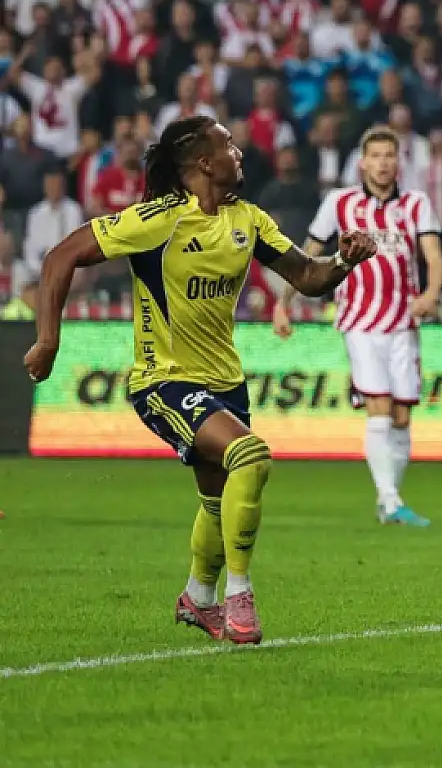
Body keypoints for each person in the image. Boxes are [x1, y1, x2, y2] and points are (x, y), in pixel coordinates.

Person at [24, 115, 375, 645]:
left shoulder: (248, 220)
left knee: (217, 500)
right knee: (251, 457)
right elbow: (62, 256)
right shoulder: (158, 219)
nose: (240, 152)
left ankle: (198, 597)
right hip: (163, 381)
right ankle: (239, 595)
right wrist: (49, 339)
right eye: (229, 145)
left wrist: (343, 261)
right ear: (204, 164)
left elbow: (306, 276)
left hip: (225, 382)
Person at [273, 126, 442, 527]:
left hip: (404, 322)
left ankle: (389, 501)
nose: (384, 163)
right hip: (359, 321)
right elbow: (305, 256)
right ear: (363, 162)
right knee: (380, 409)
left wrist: (433, 292)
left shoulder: (416, 204)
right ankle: (390, 500)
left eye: (390, 155)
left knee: (402, 416)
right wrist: (284, 303)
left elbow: (433, 256)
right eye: (377, 156)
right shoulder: (339, 203)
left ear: (398, 161)